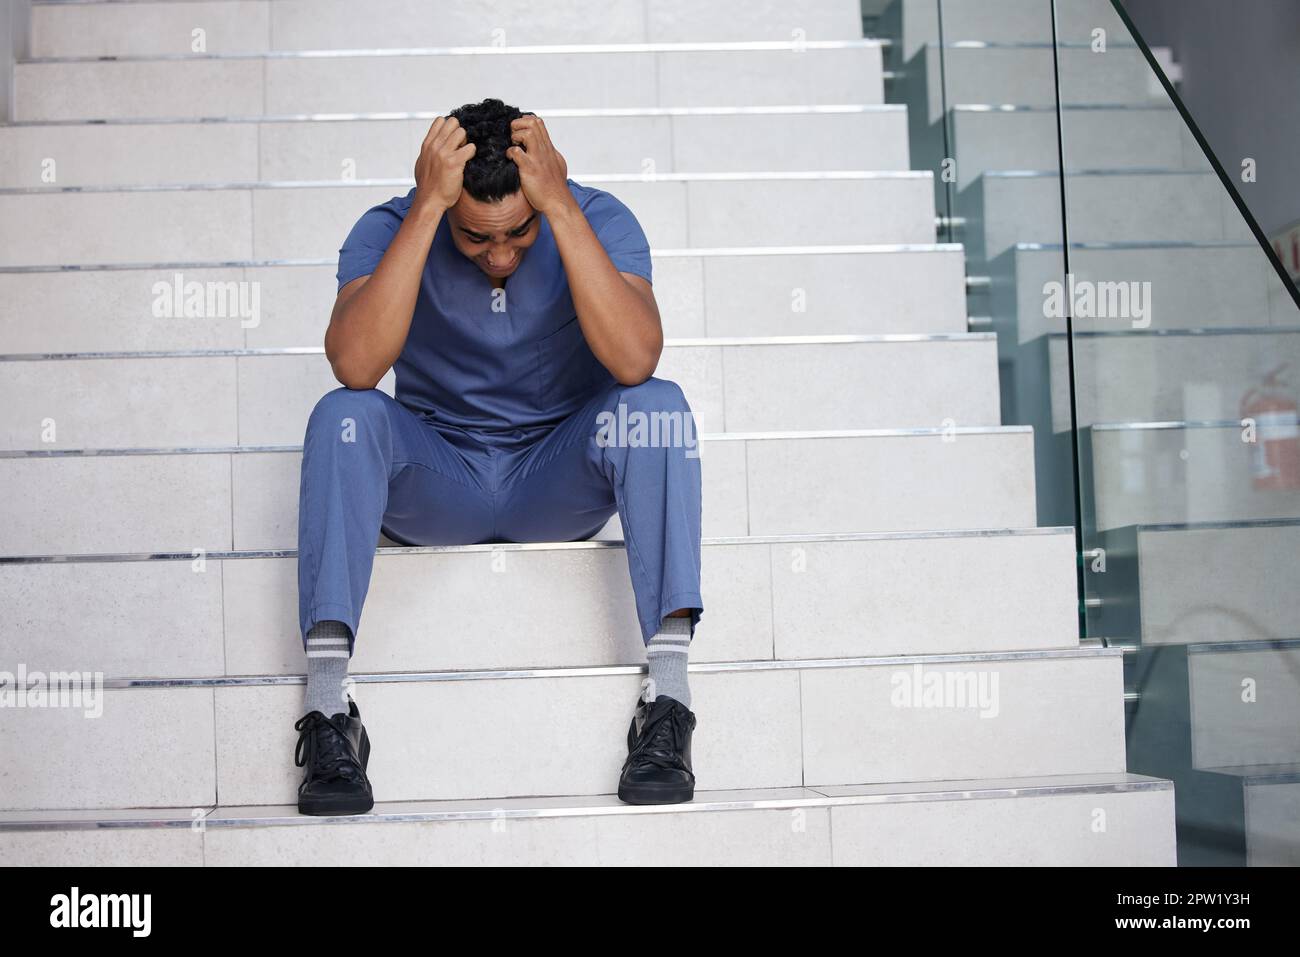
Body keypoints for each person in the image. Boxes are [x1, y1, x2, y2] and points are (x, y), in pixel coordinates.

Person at [291, 98, 704, 815]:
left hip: (555, 472)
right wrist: (426, 213)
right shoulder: (392, 227)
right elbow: (355, 364)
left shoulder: (595, 217)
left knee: (658, 407)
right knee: (344, 416)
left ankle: (667, 701)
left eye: (520, 231)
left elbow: (636, 357)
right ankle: (331, 711)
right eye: (477, 239)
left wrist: (563, 211)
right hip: (440, 474)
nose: (503, 254)